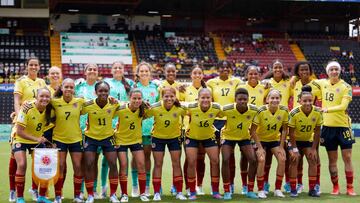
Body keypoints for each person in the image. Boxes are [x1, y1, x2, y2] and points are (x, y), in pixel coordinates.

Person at [10, 57, 47, 202]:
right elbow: (17, 100)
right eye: (31, 64)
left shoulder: (41, 82)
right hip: (23, 123)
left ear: (39, 67)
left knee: (37, 162)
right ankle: (14, 191)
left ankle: (33, 190)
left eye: (35, 65)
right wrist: (19, 116)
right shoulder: (21, 81)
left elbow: (47, 99)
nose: (33, 67)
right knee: (17, 160)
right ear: (27, 66)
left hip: (36, 125)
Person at [316, 61, 356, 196]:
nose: (334, 71)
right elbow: (307, 82)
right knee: (332, 159)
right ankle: (336, 187)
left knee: (347, 157)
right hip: (328, 128)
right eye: (331, 69)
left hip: (343, 127)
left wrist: (326, 109)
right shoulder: (322, 83)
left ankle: (350, 187)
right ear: (327, 72)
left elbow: (343, 106)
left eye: (336, 69)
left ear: (340, 71)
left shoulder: (346, 86)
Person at [81, 81, 120, 203]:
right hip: (91, 138)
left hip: (108, 137)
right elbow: (76, 109)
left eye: (106, 91)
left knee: (113, 164)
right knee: (89, 165)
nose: (103, 93)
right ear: (95, 92)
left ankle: (113, 194)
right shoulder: (88, 105)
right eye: (100, 91)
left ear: (109, 92)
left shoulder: (114, 104)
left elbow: (130, 105)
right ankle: (91, 194)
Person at [206, 60, 242, 193]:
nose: (225, 69)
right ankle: (214, 185)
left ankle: (230, 184)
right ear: (218, 69)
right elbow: (207, 98)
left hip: (230, 121)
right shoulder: (211, 82)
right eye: (222, 67)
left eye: (227, 67)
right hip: (215, 121)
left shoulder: (237, 82)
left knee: (229, 156)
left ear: (230, 69)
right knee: (214, 156)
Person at [12, 88, 52, 203]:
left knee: (44, 166)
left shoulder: (49, 109)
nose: (44, 99)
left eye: (47, 96)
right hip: (21, 139)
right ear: (36, 97)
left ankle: (42, 197)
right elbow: (19, 131)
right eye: (42, 96)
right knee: (22, 164)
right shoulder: (27, 108)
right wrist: (37, 138)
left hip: (37, 141)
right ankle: (19, 198)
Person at [147, 87, 187, 201]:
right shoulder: (155, 107)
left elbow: (192, 111)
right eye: (166, 96)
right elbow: (142, 114)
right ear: (162, 97)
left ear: (175, 97)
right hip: (158, 138)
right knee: (158, 164)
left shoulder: (180, 108)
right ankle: (156, 192)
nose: (169, 98)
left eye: (172, 96)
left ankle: (179, 191)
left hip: (174, 138)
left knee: (176, 163)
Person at [219, 88, 258, 199]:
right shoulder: (227, 109)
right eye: (239, 99)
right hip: (228, 136)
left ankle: (250, 190)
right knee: (226, 159)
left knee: (253, 160)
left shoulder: (253, 110)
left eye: (244, 99)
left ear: (248, 99)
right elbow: (215, 114)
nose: (242, 101)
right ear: (235, 99)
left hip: (244, 137)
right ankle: (227, 190)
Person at [51, 78, 85, 203]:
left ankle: (77, 196)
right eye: (67, 87)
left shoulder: (80, 101)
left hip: (76, 139)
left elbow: (94, 103)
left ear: (74, 89)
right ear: (62, 88)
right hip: (59, 139)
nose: (69, 89)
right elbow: (40, 102)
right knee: (60, 166)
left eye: (71, 87)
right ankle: (58, 196)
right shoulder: (54, 102)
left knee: (77, 166)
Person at [103, 61, 134, 197]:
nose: (117, 69)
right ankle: (104, 188)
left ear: (123, 69)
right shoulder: (106, 82)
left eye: (120, 67)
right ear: (111, 70)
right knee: (107, 159)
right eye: (115, 67)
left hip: (125, 124)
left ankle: (126, 190)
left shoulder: (130, 84)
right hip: (109, 124)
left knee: (123, 159)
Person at [75, 63, 106, 199]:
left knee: (94, 162)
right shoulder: (78, 87)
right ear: (85, 72)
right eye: (90, 69)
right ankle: (81, 190)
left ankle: (93, 190)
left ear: (98, 73)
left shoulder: (101, 88)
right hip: (80, 130)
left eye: (95, 69)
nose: (92, 71)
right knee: (82, 162)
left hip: (96, 131)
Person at [250, 89, 289, 198]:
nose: (275, 100)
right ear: (267, 99)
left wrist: (281, 147)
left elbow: (285, 130)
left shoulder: (284, 110)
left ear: (280, 99)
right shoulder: (261, 110)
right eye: (272, 98)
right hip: (260, 140)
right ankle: (261, 189)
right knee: (261, 159)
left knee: (282, 159)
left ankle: (277, 189)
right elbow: (253, 131)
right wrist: (260, 147)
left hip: (274, 140)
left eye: (277, 98)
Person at [185, 88, 222, 200]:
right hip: (192, 137)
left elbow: (228, 112)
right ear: (198, 99)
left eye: (208, 97)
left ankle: (215, 191)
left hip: (209, 137)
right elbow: (177, 107)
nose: (205, 100)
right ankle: (192, 191)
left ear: (211, 98)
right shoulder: (191, 107)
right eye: (203, 98)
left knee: (215, 161)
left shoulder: (216, 108)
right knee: (191, 162)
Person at [262, 60, 292, 193]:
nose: (278, 69)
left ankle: (285, 183)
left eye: (280, 67)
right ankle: (265, 183)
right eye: (275, 67)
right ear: (272, 68)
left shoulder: (289, 82)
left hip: (283, 119)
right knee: (266, 157)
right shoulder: (267, 83)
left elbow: (296, 95)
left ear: (283, 68)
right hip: (268, 120)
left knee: (283, 154)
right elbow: (263, 99)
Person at [114, 89, 150, 202]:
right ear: (129, 98)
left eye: (139, 98)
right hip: (121, 141)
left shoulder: (143, 110)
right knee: (123, 165)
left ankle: (142, 193)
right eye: (134, 98)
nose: (137, 100)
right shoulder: (120, 109)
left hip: (136, 141)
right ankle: (124, 194)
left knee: (141, 164)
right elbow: (108, 114)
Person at [291, 61, 322, 193]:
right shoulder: (293, 84)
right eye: (301, 70)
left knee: (314, 157)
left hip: (311, 125)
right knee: (296, 160)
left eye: (307, 70)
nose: (304, 72)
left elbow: (320, 103)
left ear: (310, 71)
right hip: (295, 124)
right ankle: (297, 185)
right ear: (297, 72)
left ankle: (315, 185)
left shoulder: (317, 84)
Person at [237, 65, 268, 194]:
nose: (253, 76)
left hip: (258, 127)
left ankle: (262, 183)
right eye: (251, 74)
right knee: (244, 156)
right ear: (246, 75)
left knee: (260, 157)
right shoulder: (241, 87)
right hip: (244, 126)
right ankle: (245, 185)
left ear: (259, 75)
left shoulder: (264, 87)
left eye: (256, 74)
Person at [132, 62, 160, 197]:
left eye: (146, 71)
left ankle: (147, 185)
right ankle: (135, 186)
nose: (144, 73)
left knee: (147, 157)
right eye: (141, 71)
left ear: (150, 73)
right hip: (136, 128)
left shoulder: (155, 87)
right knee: (135, 158)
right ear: (138, 73)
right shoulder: (133, 87)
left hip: (150, 129)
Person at [180, 66, 207, 195]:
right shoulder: (184, 89)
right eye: (194, 73)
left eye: (199, 73)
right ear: (191, 75)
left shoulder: (207, 90)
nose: (197, 75)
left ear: (202, 75)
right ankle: (188, 186)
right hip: (188, 129)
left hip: (204, 129)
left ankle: (200, 185)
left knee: (201, 159)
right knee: (189, 159)